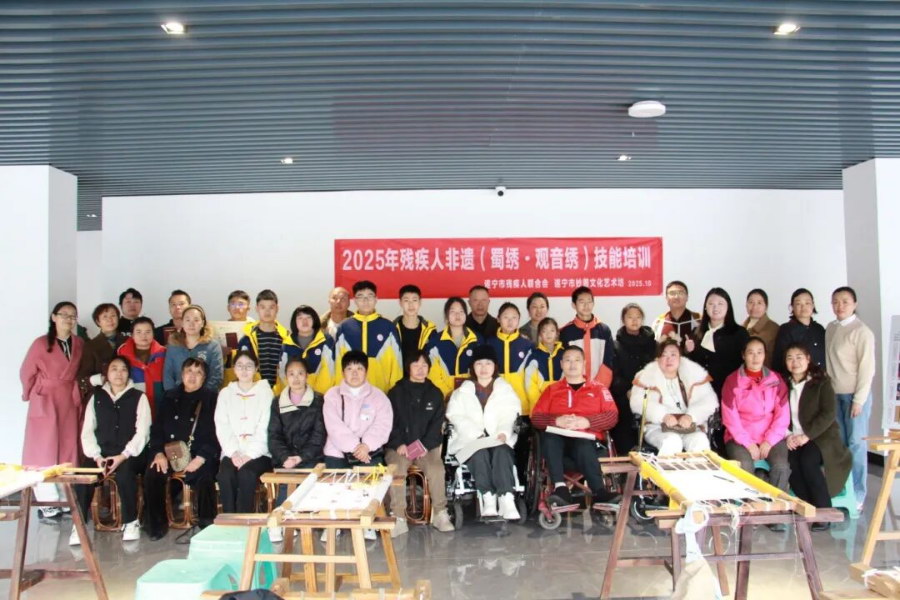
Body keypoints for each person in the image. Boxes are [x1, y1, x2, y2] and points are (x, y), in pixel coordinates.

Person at [531, 345, 620, 509]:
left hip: (588, 445)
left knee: (582, 443)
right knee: (549, 438)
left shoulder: (598, 389)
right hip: (558, 448)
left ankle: (599, 492)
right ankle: (561, 489)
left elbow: (612, 417)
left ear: (584, 363)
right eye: (568, 360)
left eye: (577, 360)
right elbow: (536, 418)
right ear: (561, 364)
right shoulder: (551, 390)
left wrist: (587, 422)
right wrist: (557, 421)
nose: (572, 364)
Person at [144, 358, 220, 541]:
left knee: (205, 476)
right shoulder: (169, 397)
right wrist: (158, 453)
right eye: (189, 371)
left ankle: (206, 525)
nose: (192, 376)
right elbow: (157, 429)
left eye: (198, 372)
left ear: (204, 378)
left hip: (199, 453)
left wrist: (201, 458)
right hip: (170, 453)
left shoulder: (211, 398)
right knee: (153, 472)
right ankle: (156, 525)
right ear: (182, 374)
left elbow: (216, 433)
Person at [20, 301, 85, 514]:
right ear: (54, 317)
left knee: (67, 445)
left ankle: (65, 497)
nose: (69, 319)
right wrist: (29, 393)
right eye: (64, 314)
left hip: (68, 398)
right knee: (43, 448)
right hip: (46, 397)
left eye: (73, 316)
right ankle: (47, 501)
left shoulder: (78, 343)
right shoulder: (40, 343)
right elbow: (26, 371)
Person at [78, 356, 151, 544]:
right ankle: (78, 525)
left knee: (125, 475)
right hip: (101, 453)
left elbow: (143, 432)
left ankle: (131, 521)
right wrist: (96, 456)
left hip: (130, 453)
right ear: (107, 374)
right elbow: (88, 430)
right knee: (83, 476)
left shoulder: (139, 397)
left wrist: (124, 455)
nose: (119, 373)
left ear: (129, 374)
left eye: (123, 369)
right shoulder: (97, 397)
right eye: (114, 369)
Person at [446, 345, 521, 520]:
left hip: (498, 438)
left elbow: (510, 414)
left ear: (495, 366)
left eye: (488, 363)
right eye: (479, 363)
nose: (484, 368)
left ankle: (506, 498)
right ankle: (488, 498)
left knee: (502, 452)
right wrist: (475, 434)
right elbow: (455, 416)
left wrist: (503, 432)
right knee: (479, 453)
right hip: (470, 441)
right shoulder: (461, 392)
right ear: (473, 367)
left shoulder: (505, 390)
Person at [385, 351, 454, 537]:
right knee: (397, 469)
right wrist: (399, 443)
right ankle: (399, 517)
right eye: (416, 365)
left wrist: (424, 445)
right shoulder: (395, 392)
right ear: (408, 368)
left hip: (426, 448)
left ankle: (440, 513)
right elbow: (388, 421)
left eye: (424, 365)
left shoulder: (435, 393)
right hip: (400, 448)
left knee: (436, 469)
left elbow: (437, 425)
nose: (420, 369)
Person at [784, 343, 852, 528]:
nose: (795, 362)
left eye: (799, 357)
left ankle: (823, 513)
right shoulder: (783, 384)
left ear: (808, 359)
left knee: (808, 460)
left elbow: (828, 413)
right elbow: (779, 414)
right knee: (790, 463)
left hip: (821, 436)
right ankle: (809, 508)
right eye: (790, 358)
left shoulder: (821, 382)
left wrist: (807, 436)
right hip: (794, 437)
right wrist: (788, 435)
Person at [825, 286, 876, 509]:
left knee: (856, 444)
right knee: (841, 445)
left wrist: (859, 400)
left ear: (855, 304)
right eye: (836, 301)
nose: (840, 306)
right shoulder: (831, 328)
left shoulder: (862, 331)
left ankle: (859, 493)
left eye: (845, 301)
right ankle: (844, 489)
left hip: (855, 396)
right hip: (835, 395)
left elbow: (867, 369)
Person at [720, 337, 790, 494]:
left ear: (765, 355)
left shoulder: (776, 380)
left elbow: (783, 415)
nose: (755, 357)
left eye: (760, 352)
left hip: (771, 435)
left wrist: (770, 440)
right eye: (751, 353)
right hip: (739, 437)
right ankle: (748, 505)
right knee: (744, 465)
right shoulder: (732, 381)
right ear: (743, 355)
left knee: (781, 467)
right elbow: (730, 418)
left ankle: (776, 503)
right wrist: (748, 443)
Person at [630, 339, 718, 455]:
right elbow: (638, 402)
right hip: (657, 427)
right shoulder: (646, 377)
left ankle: (697, 468)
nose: (669, 359)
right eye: (664, 355)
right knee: (672, 442)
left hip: (689, 427)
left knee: (700, 442)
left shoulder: (694, 374)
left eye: (673, 355)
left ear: (680, 358)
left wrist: (691, 416)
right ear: (657, 358)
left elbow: (708, 401)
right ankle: (666, 468)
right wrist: (663, 416)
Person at [215, 350, 273, 513]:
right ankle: (229, 519)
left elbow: (265, 427)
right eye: (240, 365)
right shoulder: (225, 394)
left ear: (256, 368)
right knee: (225, 475)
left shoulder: (265, 392)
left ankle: (243, 520)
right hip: (232, 452)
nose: (244, 370)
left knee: (247, 473)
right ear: (234, 368)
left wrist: (250, 454)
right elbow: (222, 426)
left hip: (260, 453)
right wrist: (233, 452)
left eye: (249, 366)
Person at [323, 351, 394, 468]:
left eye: (359, 368)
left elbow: (383, 425)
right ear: (343, 373)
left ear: (366, 372)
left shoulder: (379, 396)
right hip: (336, 453)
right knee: (336, 479)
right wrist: (355, 447)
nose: (354, 373)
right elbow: (333, 426)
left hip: (369, 452)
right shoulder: (332, 395)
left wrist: (366, 445)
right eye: (349, 369)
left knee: (371, 479)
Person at [333, 281, 403, 392]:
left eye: (370, 296)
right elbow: (338, 364)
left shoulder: (388, 327)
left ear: (376, 299)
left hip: (381, 392)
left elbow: (397, 365)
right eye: (361, 297)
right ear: (355, 300)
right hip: (351, 393)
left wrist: (396, 393)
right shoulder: (344, 328)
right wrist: (341, 392)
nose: (365, 301)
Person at [609, 303, 656, 454]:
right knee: (625, 438)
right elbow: (614, 376)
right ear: (623, 320)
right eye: (630, 317)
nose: (634, 321)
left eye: (638, 317)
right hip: (625, 397)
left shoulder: (653, 344)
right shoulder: (615, 345)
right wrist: (630, 390)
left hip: (651, 396)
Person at [686, 288, 750, 398]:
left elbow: (745, 365)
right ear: (705, 307)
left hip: (729, 393)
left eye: (720, 304)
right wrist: (688, 352)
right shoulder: (696, 333)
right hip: (701, 395)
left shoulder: (739, 333)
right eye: (711, 304)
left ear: (728, 307)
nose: (715, 308)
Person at [236, 289, 294, 393]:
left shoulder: (287, 338)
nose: (267, 312)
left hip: (281, 394)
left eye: (271, 307)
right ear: (257, 309)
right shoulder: (246, 340)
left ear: (277, 309)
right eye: (263, 307)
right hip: (253, 393)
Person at [559, 286, 614, 387]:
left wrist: (598, 387)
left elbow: (608, 361)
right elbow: (564, 362)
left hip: (600, 387)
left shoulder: (604, 330)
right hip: (573, 386)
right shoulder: (565, 332)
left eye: (589, 301)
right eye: (582, 302)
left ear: (593, 303)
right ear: (574, 305)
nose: (586, 305)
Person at [427, 297, 481, 398]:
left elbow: (483, 371)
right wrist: (448, 394)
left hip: (471, 396)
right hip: (443, 397)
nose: (457, 315)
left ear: (466, 315)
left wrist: (470, 393)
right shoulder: (435, 342)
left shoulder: (477, 340)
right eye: (453, 312)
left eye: (461, 311)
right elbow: (433, 375)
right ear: (446, 316)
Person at [486, 302, 534, 414]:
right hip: (496, 402)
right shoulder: (489, 343)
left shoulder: (527, 345)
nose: (510, 321)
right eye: (506, 317)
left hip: (521, 403)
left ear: (519, 320)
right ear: (498, 319)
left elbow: (532, 376)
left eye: (514, 318)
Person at [164, 305, 224, 392]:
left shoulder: (213, 346)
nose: (191, 324)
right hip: (177, 396)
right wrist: (173, 396)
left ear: (202, 323)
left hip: (205, 396)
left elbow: (216, 376)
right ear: (182, 323)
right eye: (187, 320)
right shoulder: (173, 345)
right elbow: (168, 375)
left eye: (196, 320)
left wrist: (200, 396)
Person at [772, 288, 826, 378]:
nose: (803, 307)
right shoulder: (786, 329)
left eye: (807, 303)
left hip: (821, 380)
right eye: (798, 304)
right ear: (792, 307)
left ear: (813, 305)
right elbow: (778, 361)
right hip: (796, 380)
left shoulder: (819, 329)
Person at [281, 305, 335, 395]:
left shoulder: (326, 341)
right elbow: (282, 374)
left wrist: (317, 396)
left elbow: (329, 371)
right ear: (294, 322)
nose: (304, 321)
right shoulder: (286, 345)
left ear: (314, 320)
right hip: (294, 396)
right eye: (300, 318)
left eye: (308, 317)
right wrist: (296, 393)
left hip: (321, 396)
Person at [118, 316, 166, 417]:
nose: (143, 336)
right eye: (139, 332)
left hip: (159, 401)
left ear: (153, 333)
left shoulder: (164, 353)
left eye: (148, 332)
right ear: (132, 335)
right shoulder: (122, 354)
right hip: (132, 403)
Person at [78, 303, 127, 399]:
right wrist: (97, 379)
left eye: (113, 316)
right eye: (105, 317)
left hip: (126, 392)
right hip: (101, 394)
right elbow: (83, 377)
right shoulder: (90, 346)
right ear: (98, 321)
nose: (110, 320)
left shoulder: (127, 341)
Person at [213, 290, 254, 387]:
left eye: (241, 304)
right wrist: (220, 351)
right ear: (228, 308)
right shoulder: (219, 328)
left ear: (248, 308)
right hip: (229, 373)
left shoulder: (255, 327)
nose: (237, 307)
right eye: (233, 304)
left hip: (251, 372)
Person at [524, 317, 564, 411]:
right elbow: (530, 384)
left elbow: (568, 379)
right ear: (540, 335)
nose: (548, 334)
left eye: (552, 330)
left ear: (557, 333)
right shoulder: (534, 356)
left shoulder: (564, 355)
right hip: (539, 408)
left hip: (560, 406)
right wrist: (540, 405)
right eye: (544, 331)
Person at [393, 284, 438, 366]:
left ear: (420, 302)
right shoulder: (391, 329)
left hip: (422, 374)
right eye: (406, 300)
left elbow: (434, 359)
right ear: (400, 303)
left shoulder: (430, 330)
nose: (411, 305)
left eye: (414, 300)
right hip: (397, 374)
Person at [651, 281, 701, 349]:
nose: (676, 297)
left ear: (687, 297)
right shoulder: (659, 322)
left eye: (681, 293)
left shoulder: (699, 320)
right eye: (672, 293)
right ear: (666, 298)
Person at [742, 289, 780, 367]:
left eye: (759, 303)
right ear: (746, 305)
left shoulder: (774, 329)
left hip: (765, 372)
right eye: (751, 302)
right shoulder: (741, 328)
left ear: (766, 306)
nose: (754, 307)